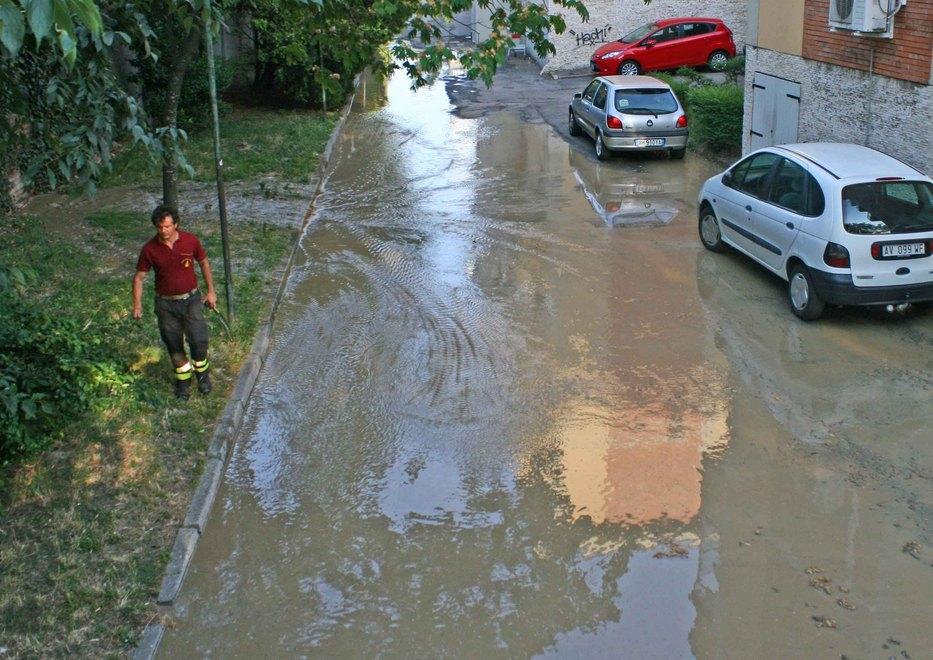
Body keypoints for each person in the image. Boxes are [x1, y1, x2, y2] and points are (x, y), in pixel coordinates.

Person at [132, 205, 218, 400]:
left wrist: (211, 292)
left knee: (199, 341)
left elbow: (204, 262)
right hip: (166, 305)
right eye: (159, 227)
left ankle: (202, 376)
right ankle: (183, 382)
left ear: (176, 224)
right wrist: (137, 305)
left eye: (167, 226)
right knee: (173, 344)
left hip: (191, 300)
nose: (163, 231)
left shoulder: (190, 240)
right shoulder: (149, 249)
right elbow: (139, 278)